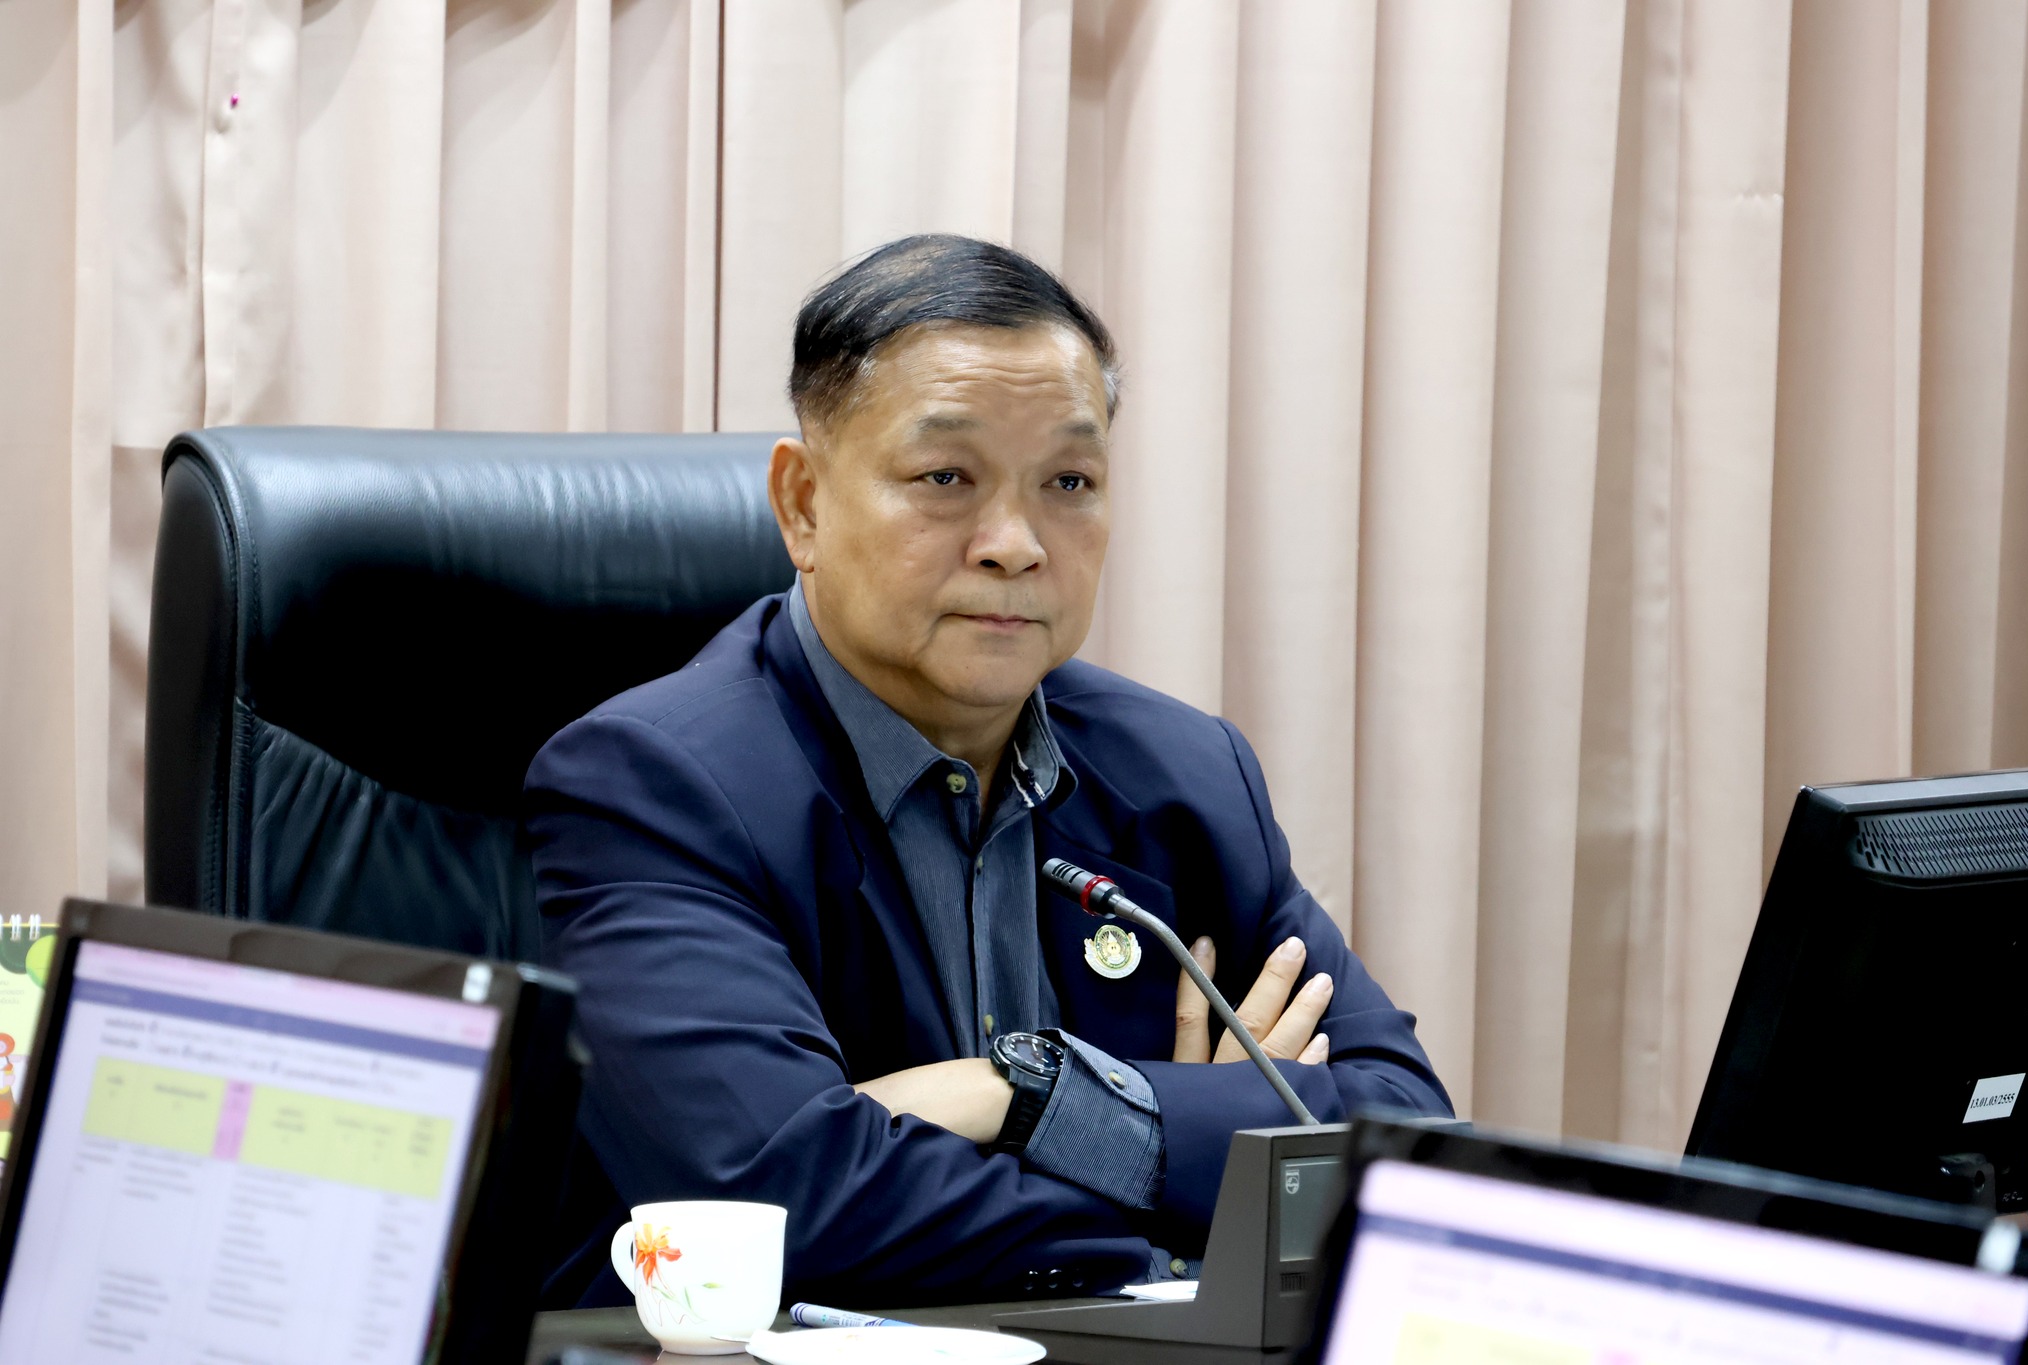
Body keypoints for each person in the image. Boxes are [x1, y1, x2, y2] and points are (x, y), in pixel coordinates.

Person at [524, 234, 1450, 1305]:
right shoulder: (651, 785)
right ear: (803, 504)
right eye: (945, 478)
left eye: (1069, 481)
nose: (1015, 542)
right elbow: (786, 1198)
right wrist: (1192, 1171)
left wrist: (1017, 1090)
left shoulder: (1185, 773)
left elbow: (1411, 1148)